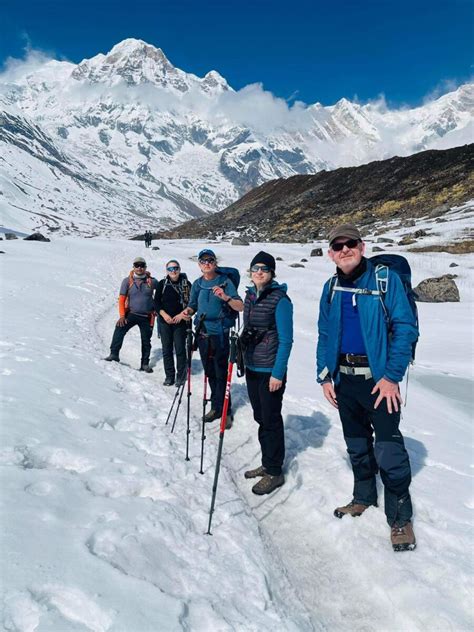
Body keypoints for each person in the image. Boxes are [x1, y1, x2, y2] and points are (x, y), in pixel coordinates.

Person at [316, 223, 418, 551]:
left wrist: (391, 377)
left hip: (379, 381)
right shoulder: (331, 287)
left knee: (389, 449)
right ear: (330, 253)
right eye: (337, 246)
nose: (344, 250)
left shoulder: (384, 281)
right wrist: (325, 376)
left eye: (350, 244)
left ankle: (400, 518)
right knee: (357, 444)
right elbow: (325, 334)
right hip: (344, 380)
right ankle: (363, 497)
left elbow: (405, 328)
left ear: (362, 246)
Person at [242, 252, 293, 495]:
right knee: (261, 417)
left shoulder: (280, 300)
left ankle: (275, 471)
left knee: (271, 421)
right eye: (255, 268)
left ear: (272, 273)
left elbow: (286, 340)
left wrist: (278, 373)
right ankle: (267, 462)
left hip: (270, 371)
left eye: (264, 268)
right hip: (252, 366)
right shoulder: (250, 296)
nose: (259, 272)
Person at [180, 249, 243, 423]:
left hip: (220, 333)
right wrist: (188, 311)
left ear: (215, 263)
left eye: (210, 260)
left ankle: (225, 411)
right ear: (199, 264)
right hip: (202, 333)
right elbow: (193, 305)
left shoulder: (225, 281)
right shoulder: (198, 284)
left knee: (221, 372)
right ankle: (217, 407)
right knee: (210, 372)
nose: (207, 263)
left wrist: (226, 297)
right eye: (203, 261)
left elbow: (240, 306)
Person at [104, 256, 159, 372]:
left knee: (146, 340)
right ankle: (114, 354)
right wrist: (122, 316)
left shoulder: (152, 281)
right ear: (133, 267)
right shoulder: (127, 281)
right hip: (131, 313)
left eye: (142, 265)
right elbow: (122, 299)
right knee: (119, 328)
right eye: (137, 265)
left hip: (147, 316)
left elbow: (160, 296)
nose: (139, 268)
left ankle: (144, 364)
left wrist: (158, 309)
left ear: (145, 267)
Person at [155, 260, 191, 387]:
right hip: (165, 321)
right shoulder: (162, 284)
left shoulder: (186, 284)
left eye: (175, 268)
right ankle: (169, 376)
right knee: (167, 349)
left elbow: (192, 304)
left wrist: (182, 315)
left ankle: (181, 376)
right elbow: (156, 302)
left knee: (180, 348)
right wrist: (163, 314)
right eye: (170, 269)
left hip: (180, 322)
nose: (173, 271)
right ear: (167, 271)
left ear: (180, 269)